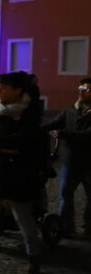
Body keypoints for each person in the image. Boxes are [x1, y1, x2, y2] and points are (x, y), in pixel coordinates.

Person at [0, 72, 45, 274]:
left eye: (3, 88)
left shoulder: (30, 114)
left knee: (22, 217)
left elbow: (25, 143)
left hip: (18, 173)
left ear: (17, 91)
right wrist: (0, 142)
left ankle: (34, 254)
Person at [42, 77, 91, 237]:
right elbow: (54, 123)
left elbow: (88, 135)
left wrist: (64, 134)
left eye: (86, 90)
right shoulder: (70, 110)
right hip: (70, 159)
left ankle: (89, 228)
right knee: (65, 194)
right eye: (81, 88)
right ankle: (66, 227)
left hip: (89, 161)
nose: (82, 92)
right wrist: (34, 130)